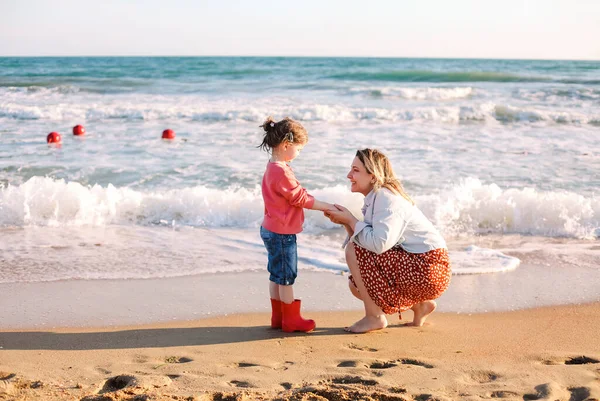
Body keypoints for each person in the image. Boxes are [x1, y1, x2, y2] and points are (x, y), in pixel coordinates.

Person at [324, 148, 451, 333]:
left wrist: (351, 219)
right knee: (356, 285)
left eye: (355, 170)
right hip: (423, 266)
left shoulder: (386, 198)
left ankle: (374, 317)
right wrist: (346, 222)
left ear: (373, 177)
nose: (349, 175)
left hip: (429, 268)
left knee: (352, 250)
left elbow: (379, 244)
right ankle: (420, 307)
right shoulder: (375, 197)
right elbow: (368, 242)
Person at [258, 116, 334, 333]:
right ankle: (290, 320)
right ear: (286, 145)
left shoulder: (274, 166)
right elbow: (299, 198)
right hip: (281, 232)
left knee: (276, 275)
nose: (299, 154)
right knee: (286, 278)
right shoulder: (281, 171)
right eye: (299, 149)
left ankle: (278, 317)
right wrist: (325, 206)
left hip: (271, 228)